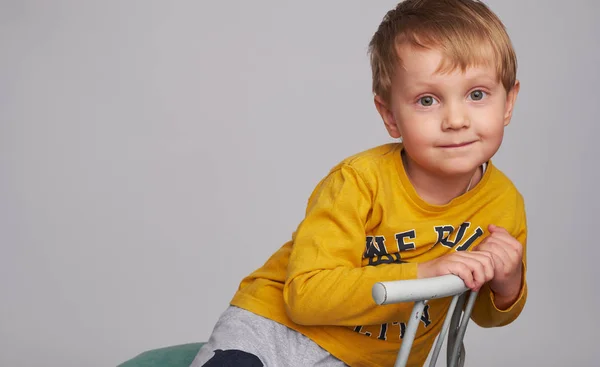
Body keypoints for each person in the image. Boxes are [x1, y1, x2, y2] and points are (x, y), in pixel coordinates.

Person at [190, 0, 527, 366]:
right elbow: (304, 296)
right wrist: (421, 273)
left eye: (477, 94)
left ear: (508, 102)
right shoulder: (359, 181)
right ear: (390, 116)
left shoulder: (502, 203)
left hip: (369, 360)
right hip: (277, 331)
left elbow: (485, 313)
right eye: (427, 100)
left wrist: (508, 282)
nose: (456, 119)